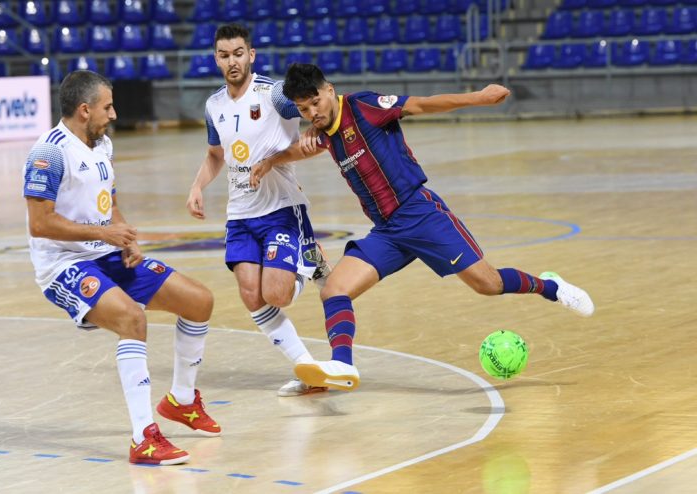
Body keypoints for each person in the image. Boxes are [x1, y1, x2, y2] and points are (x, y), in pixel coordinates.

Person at [250, 63, 595, 392]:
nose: (313, 112)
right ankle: (343, 365)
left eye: (316, 102)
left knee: (487, 284)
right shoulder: (323, 133)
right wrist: (270, 161)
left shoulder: (364, 106)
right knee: (334, 290)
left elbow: (423, 104)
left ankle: (551, 287)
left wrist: (479, 97)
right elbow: (301, 150)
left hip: (420, 214)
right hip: (387, 230)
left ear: (329, 90)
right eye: (304, 109)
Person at [23, 70, 220, 466]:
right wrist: (104, 232)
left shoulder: (103, 144)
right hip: (64, 264)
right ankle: (143, 438)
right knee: (133, 319)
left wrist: (126, 238)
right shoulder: (49, 153)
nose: (113, 114)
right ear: (84, 110)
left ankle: (182, 400)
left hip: (106, 253)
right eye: (107, 107)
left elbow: (106, 199)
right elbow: (39, 223)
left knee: (199, 301)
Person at [187, 24, 331, 397]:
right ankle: (309, 370)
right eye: (224, 55)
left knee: (277, 295)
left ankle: (311, 260)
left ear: (251, 55)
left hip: (281, 207)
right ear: (215, 59)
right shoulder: (214, 105)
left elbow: (317, 104)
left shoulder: (275, 95)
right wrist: (197, 186)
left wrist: (312, 135)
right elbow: (215, 154)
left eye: (238, 53)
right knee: (252, 296)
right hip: (240, 214)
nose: (232, 61)